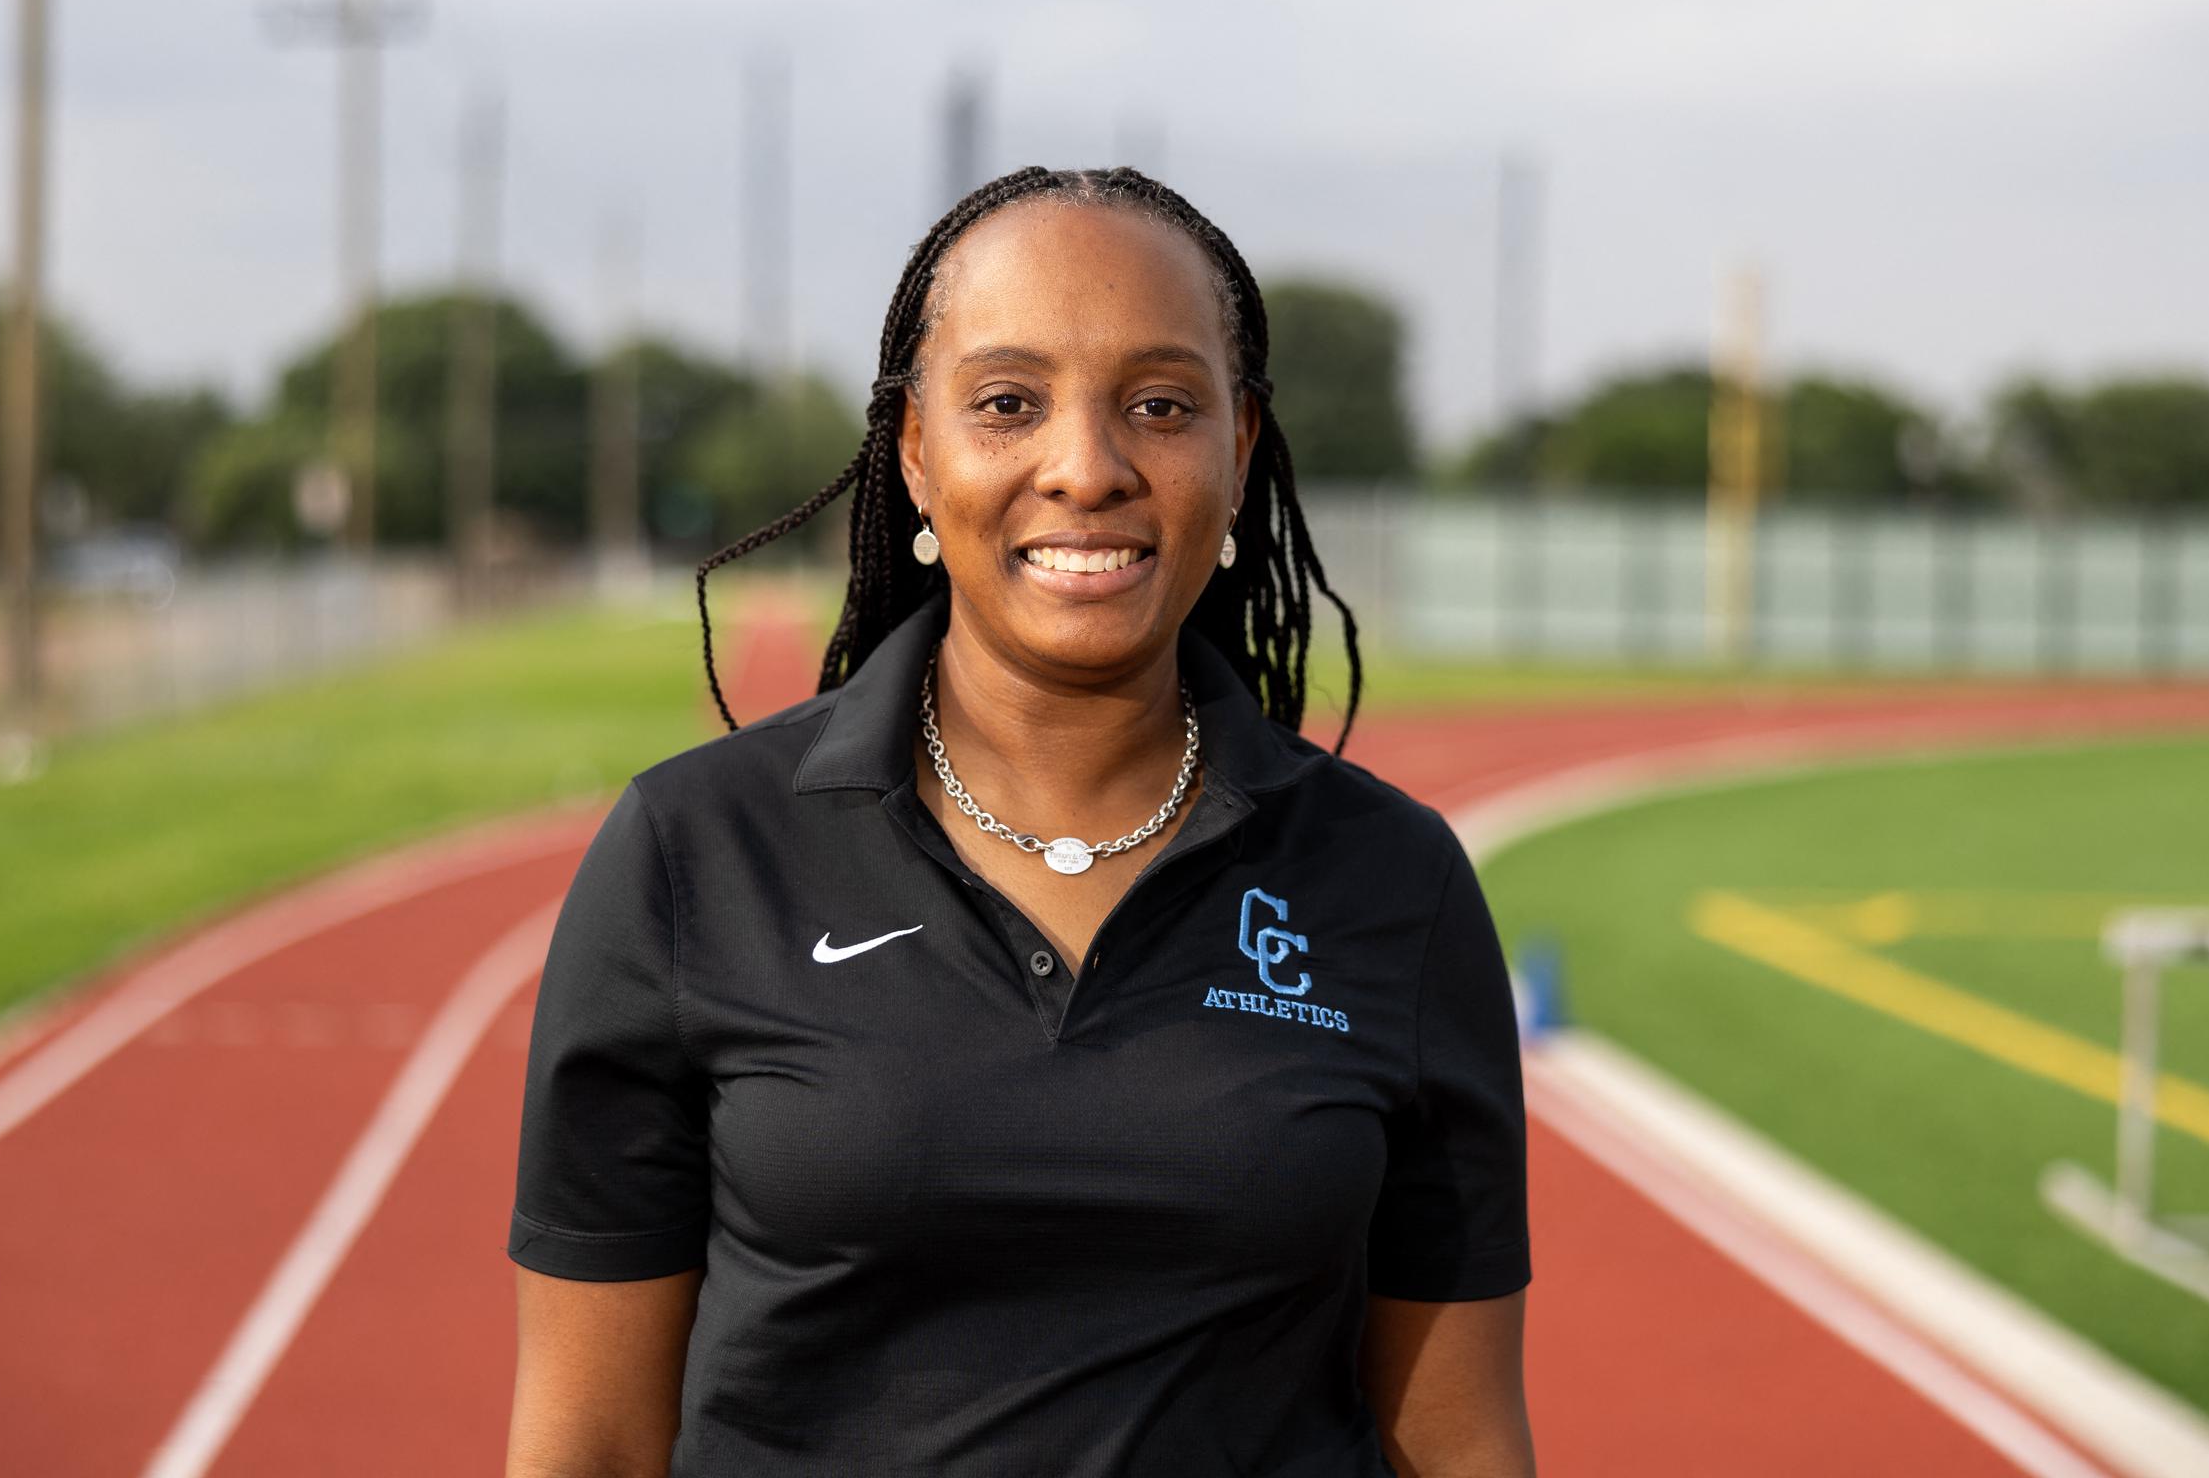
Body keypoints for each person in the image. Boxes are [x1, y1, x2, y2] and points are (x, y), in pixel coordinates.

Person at [505, 165, 1534, 1477]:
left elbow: (1460, 1446)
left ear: (1243, 448)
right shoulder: (696, 854)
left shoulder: (1391, 879)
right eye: (1008, 404)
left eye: (1162, 406)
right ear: (918, 452)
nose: (1086, 468)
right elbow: (586, 1444)